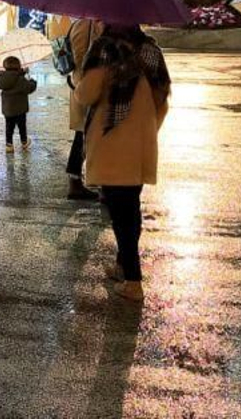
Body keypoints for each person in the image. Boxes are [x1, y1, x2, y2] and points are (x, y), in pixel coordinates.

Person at [75, 24, 171, 302]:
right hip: (141, 145)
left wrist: (77, 79)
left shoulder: (105, 51)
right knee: (130, 208)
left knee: (121, 214)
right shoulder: (151, 52)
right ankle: (122, 266)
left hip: (111, 144)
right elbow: (162, 100)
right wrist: (147, 129)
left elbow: (86, 94)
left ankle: (133, 280)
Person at [55, 16, 105, 200]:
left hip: (76, 83)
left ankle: (75, 181)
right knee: (97, 135)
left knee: (82, 134)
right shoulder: (98, 26)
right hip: (92, 85)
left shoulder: (76, 24)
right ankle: (101, 185)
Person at [0, 55, 37, 152]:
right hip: (20, 109)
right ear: (18, 66)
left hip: (8, 109)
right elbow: (29, 88)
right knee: (22, 126)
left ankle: (9, 145)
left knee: (9, 127)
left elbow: (12, 77)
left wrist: (22, 73)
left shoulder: (1, 77)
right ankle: (24, 141)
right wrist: (33, 82)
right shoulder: (20, 79)